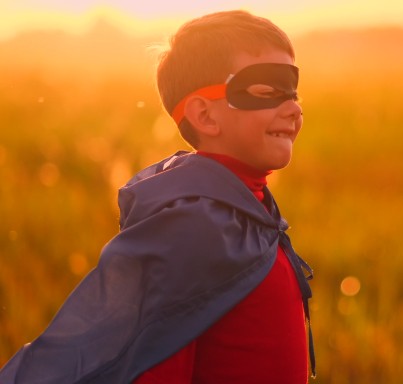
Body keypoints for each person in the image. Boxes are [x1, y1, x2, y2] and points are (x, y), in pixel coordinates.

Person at [0, 10, 315, 383]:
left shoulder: (248, 210)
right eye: (267, 90)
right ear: (204, 115)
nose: (293, 108)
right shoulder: (193, 231)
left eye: (293, 92)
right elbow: (154, 365)